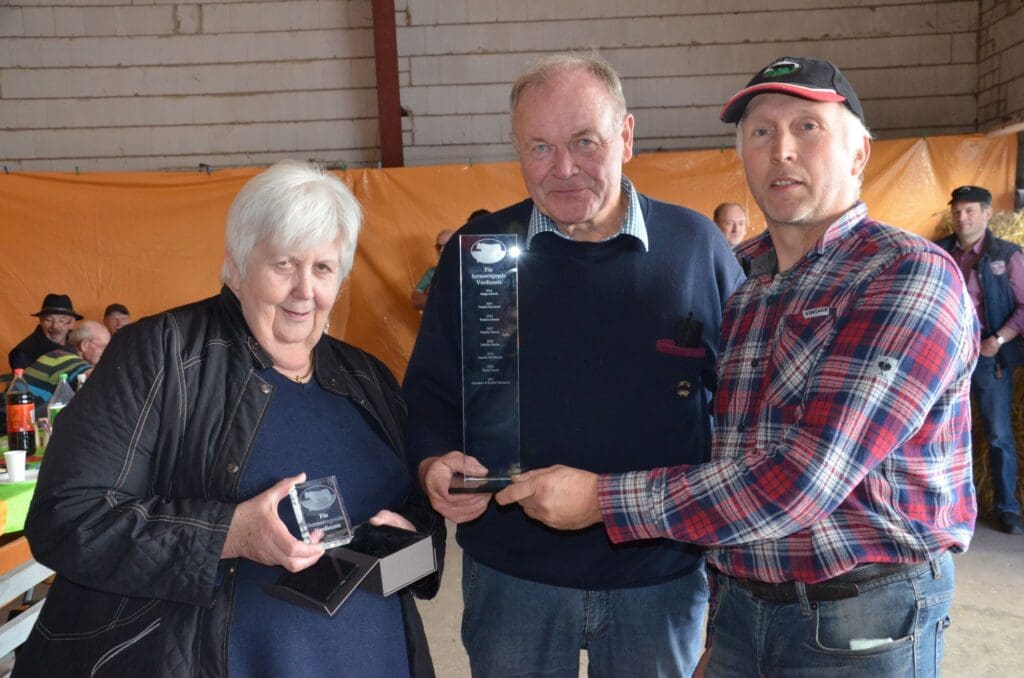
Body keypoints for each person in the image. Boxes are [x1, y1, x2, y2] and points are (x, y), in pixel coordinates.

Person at [496, 56, 979, 677]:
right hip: (746, 613)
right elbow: (734, 456)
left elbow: (806, 476)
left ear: (859, 154)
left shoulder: (904, 275)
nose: (782, 150)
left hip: (861, 620)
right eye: (761, 132)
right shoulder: (746, 280)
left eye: (808, 127)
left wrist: (602, 498)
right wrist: (725, 631)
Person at [17, 160, 444, 678]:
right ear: (237, 267)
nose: (305, 290)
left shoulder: (368, 377)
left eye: (324, 268)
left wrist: (413, 535)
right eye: (284, 264)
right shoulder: (161, 354)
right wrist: (227, 534)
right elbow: (68, 519)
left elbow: (421, 529)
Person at [403, 52, 743, 677]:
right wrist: (433, 461)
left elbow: (743, 412)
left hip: (659, 577)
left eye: (585, 142)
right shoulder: (479, 256)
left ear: (627, 137)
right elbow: (428, 392)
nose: (563, 169)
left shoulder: (698, 249)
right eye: (539, 147)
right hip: (512, 575)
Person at [937, 185, 1024, 535]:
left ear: (988, 214)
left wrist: (998, 339)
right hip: (945, 359)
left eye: (970, 210)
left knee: (998, 433)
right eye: (957, 211)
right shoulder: (938, 251)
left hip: (989, 357)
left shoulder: (1008, 255)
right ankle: (944, 507)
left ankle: (1006, 508)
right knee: (942, 430)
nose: (962, 217)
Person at [24, 319, 110, 409]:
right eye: (104, 346)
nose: (108, 352)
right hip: (23, 418)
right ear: (85, 345)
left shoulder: (58, 355)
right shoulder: (65, 359)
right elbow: (99, 379)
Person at [8, 293, 82, 370]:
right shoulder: (24, 353)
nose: (55, 326)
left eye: (61, 320)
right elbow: (21, 381)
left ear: (72, 323)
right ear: (41, 321)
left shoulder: (79, 343)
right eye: (49, 320)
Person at [411, 229, 455, 310]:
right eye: (439, 246)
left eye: (447, 245)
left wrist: (429, 295)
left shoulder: (468, 272)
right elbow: (415, 300)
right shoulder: (431, 272)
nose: (441, 250)